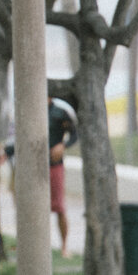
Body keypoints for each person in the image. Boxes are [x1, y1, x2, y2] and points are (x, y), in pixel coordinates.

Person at [48, 97, 78, 258]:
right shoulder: (27, 109)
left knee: (59, 207)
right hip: (32, 166)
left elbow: (74, 133)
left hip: (54, 164)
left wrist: (63, 145)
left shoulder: (60, 112)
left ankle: (64, 246)